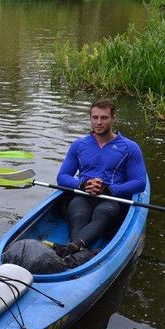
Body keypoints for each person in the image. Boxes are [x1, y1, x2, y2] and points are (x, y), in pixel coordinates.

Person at [55, 98, 147, 257]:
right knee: (78, 214)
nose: (98, 122)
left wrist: (110, 188)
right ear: (90, 118)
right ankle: (76, 250)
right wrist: (82, 185)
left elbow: (140, 183)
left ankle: (71, 248)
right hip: (84, 194)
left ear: (113, 119)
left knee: (103, 213)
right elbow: (62, 177)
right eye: (95, 117)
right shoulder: (79, 145)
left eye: (104, 118)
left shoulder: (130, 147)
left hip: (112, 198)